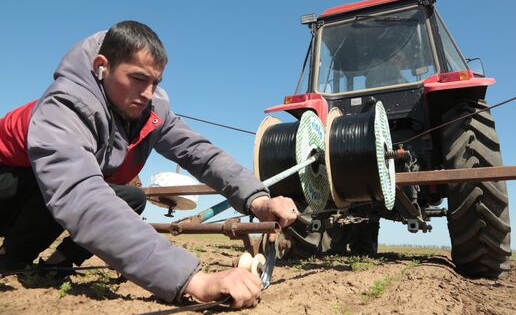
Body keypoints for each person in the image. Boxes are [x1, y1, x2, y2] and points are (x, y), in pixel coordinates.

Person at [0, 20, 298, 308]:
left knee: (132, 197)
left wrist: (256, 199)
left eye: (155, 82)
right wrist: (193, 280)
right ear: (101, 66)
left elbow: (200, 153)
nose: (147, 93)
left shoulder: (150, 111)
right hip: (10, 183)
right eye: (138, 78)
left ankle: (57, 263)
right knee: (60, 190)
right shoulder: (65, 106)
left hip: (43, 191)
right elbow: (79, 195)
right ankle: (13, 258)